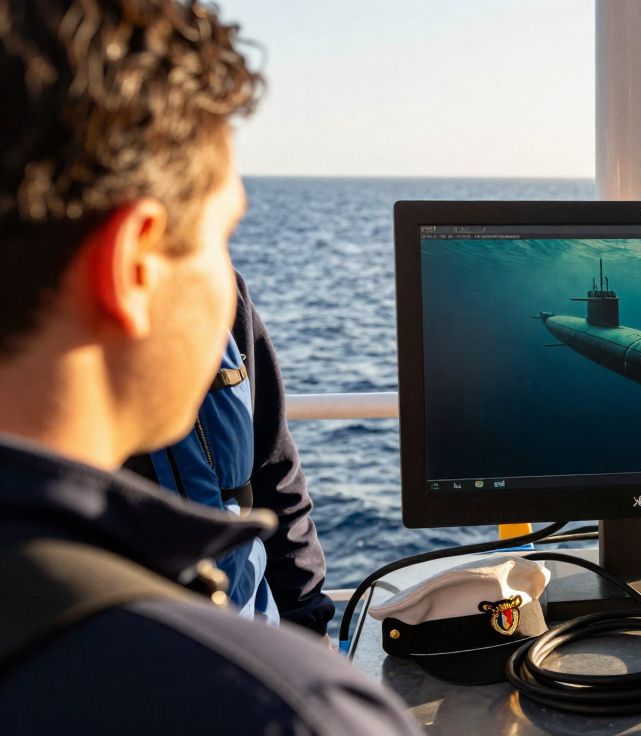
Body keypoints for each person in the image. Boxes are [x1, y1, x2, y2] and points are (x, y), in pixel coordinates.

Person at [0, 1, 419, 732]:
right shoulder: (286, 708)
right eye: (221, 234)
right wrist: (307, 689)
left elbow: (275, 487)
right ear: (133, 265)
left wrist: (305, 637)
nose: (228, 279)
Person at [122, 272, 334, 633]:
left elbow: (273, 476)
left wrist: (306, 620)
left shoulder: (218, 288)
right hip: (117, 662)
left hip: (250, 645)